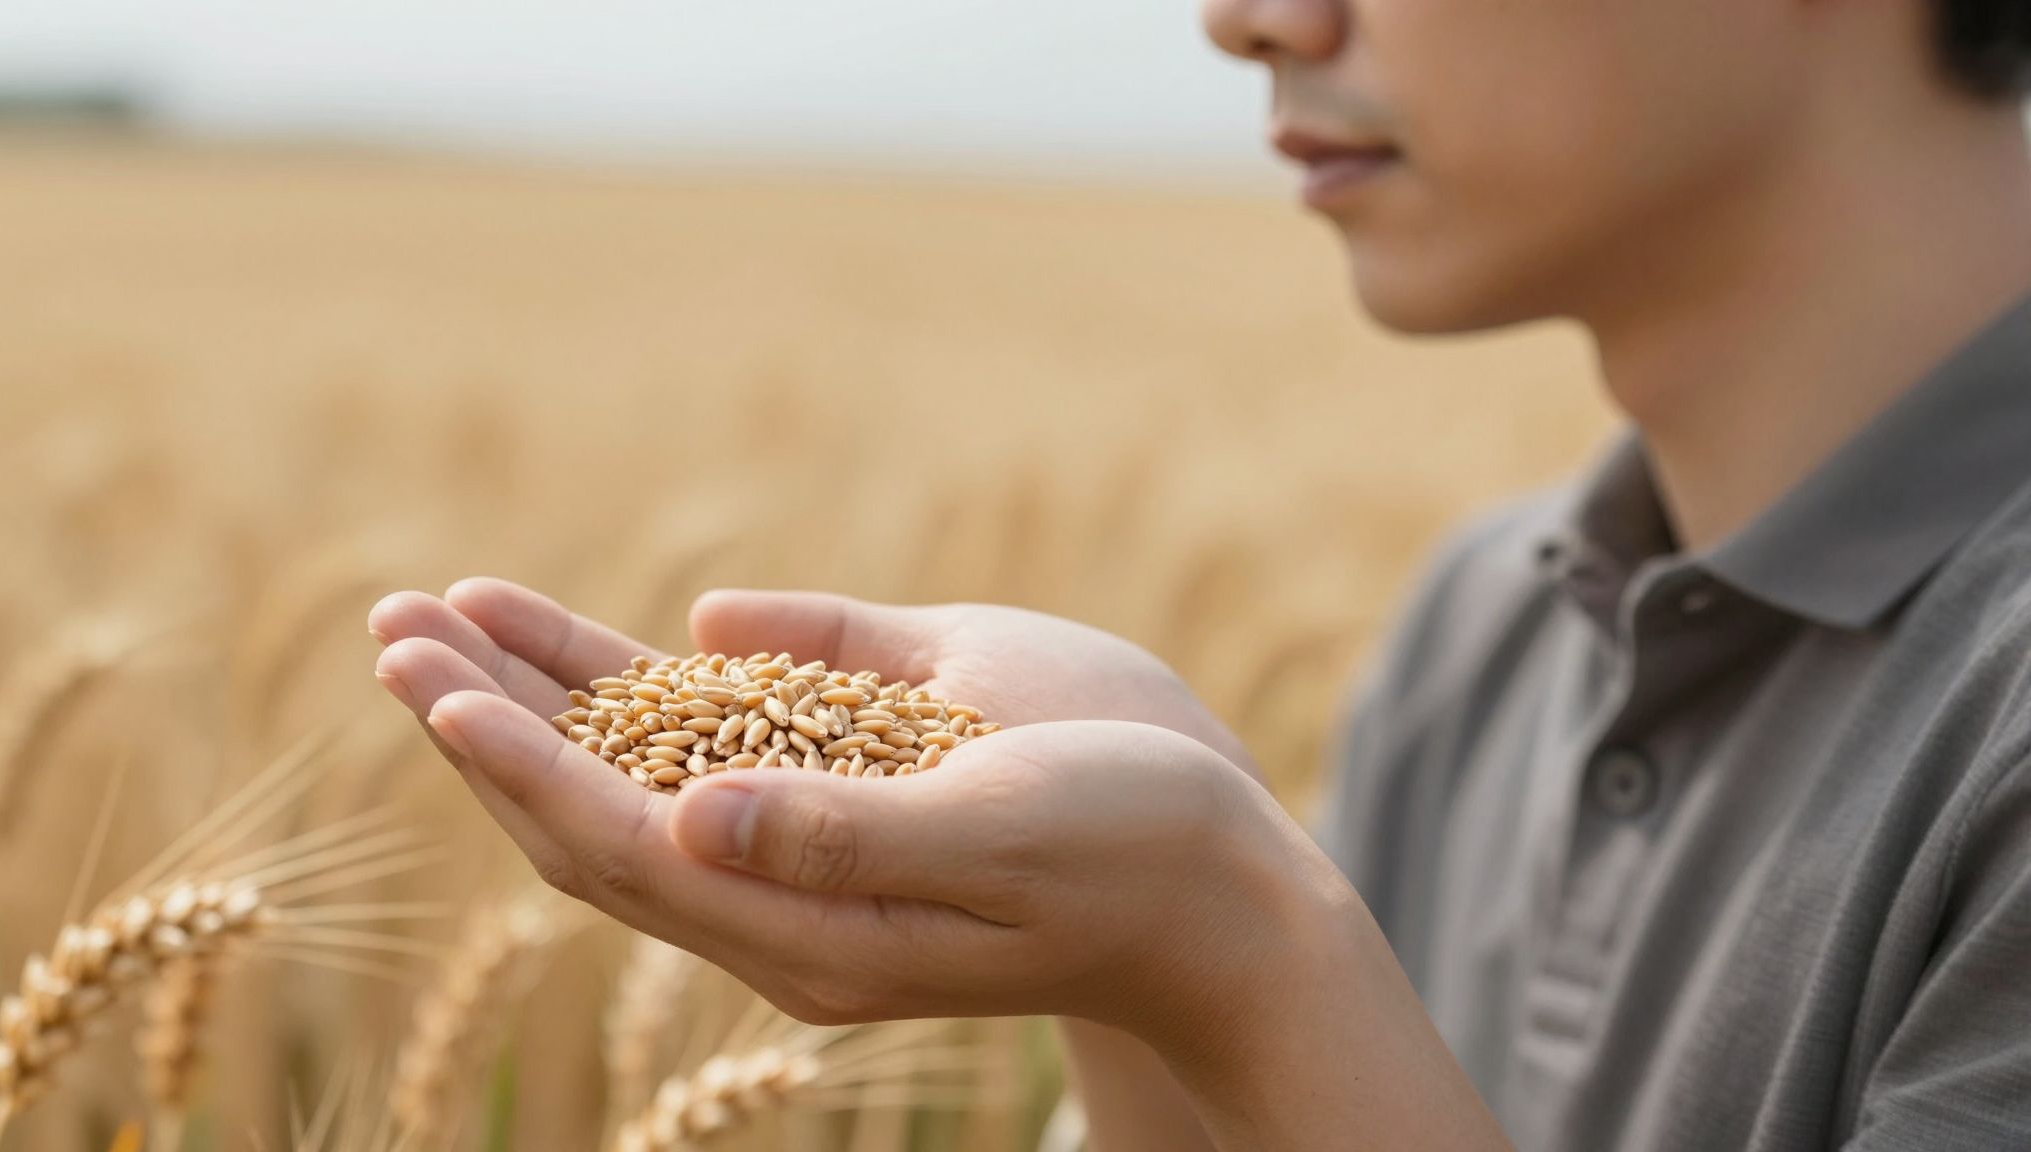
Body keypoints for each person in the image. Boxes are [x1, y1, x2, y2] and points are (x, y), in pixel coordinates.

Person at [368, 0, 2031, 1146]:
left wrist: (1250, 961)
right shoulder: (1488, 621)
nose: (1246, 20)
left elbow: (1250, 957)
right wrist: (1143, 987)